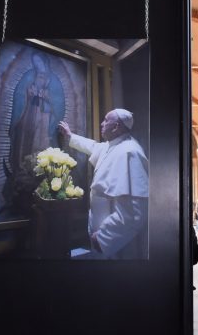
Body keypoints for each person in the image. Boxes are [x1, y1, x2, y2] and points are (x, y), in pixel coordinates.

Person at [58, 109, 148, 259]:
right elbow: (93, 147)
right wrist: (70, 136)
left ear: (116, 126)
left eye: (106, 120)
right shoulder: (112, 145)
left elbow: (135, 212)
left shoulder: (130, 152)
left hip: (116, 243)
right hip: (101, 237)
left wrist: (105, 237)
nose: (101, 123)